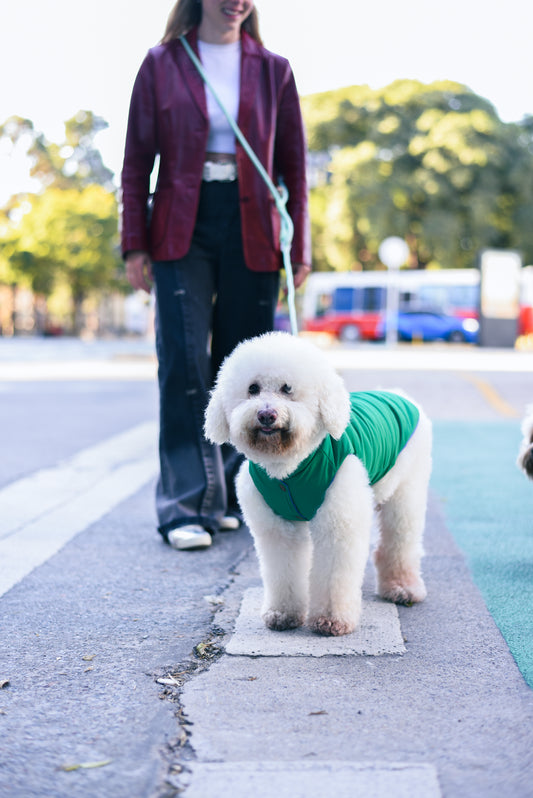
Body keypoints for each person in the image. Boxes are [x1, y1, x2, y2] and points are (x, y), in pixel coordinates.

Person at [121, 0, 311, 550]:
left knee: (243, 363)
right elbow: (136, 161)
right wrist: (134, 241)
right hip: (182, 220)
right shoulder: (162, 63)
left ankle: (226, 495)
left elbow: (294, 166)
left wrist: (299, 243)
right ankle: (185, 506)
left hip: (252, 223)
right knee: (184, 358)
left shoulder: (274, 68)